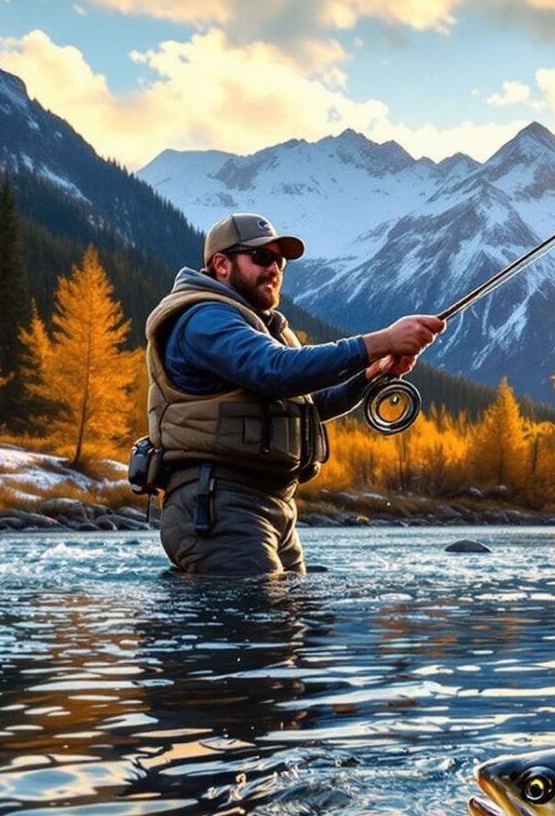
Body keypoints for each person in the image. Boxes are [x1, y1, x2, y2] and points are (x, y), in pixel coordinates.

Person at [141, 212, 443, 575]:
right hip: (219, 503)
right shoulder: (204, 318)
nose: (274, 270)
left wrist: (371, 372)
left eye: (280, 261)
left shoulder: (262, 327)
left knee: (286, 623)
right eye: (262, 258)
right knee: (262, 622)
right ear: (221, 264)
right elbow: (274, 371)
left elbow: (309, 407)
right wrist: (381, 340)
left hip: (271, 508)